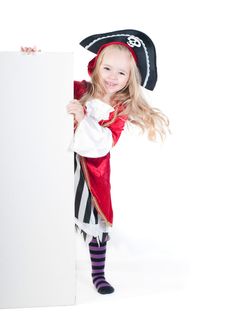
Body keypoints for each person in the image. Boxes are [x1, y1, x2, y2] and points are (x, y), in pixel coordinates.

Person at [21, 29, 169, 295]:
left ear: (130, 78)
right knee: (46, 212)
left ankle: (98, 274)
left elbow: (103, 143)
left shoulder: (120, 110)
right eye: (108, 68)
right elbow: (46, 84)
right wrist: (33, 61)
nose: (113, 77)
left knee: (95, 222)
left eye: (121, 73)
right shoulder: (80, 89)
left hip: (90, 172)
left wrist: (82, 117)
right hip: (57, 162)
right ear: (96, 65)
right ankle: (41, 265)